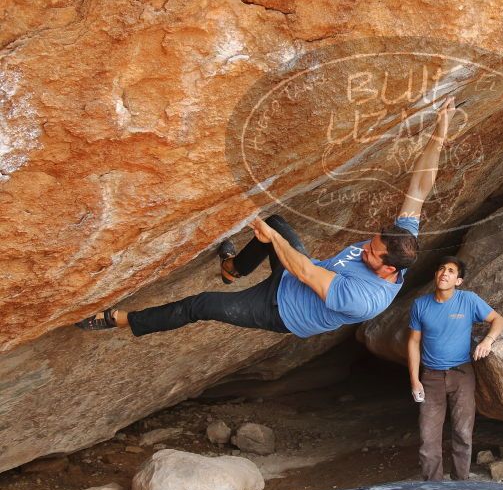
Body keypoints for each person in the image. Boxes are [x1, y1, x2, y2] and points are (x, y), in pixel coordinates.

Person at [75, 97, 457, 338]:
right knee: (275, 223)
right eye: (370, 244)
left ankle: (120, 320)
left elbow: (306, 272)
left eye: (372, 255)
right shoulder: (400, 243)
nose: (364, 252)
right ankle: (233, 270)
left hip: (281, 310)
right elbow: (419, 189)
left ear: (390, 270)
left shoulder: (367, 298)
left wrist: (275, 243)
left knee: (200, 305)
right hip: (296, 274)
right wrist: (439, 135)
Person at [407, 256, 503, 481]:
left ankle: (461, 483)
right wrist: (415, 380)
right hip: (431, 377)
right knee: (428, 436)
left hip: (462, 374)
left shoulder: (469, 300)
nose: (445, 273)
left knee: (462, 432)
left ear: (458, 280)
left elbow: (499, 320)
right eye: (441, 268)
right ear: (435, 274)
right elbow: (413, 342)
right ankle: (434, 487)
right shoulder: (420, 305)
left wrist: (487, 341)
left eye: (451, 271)